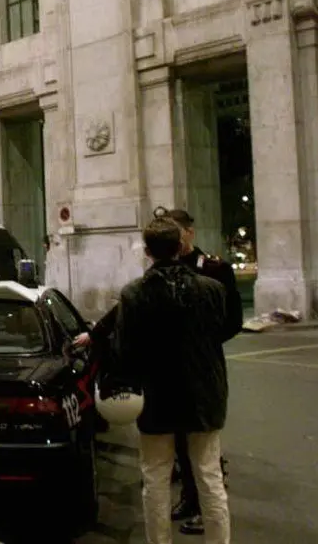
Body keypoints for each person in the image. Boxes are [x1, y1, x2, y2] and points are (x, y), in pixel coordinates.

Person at [115, 217, 232, 544]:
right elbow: (219, 333)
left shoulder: (134, 294)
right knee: (209, 476)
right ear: (180, 247)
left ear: (148, 252)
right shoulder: (212, 290)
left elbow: (124, 350)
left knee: (155, 478)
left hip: (156, 396)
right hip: (204, 394)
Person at [162, 208, 241, 535]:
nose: (175, 240)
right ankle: (189, 498)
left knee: (204, 445)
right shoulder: (163, 270)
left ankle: (207, 511)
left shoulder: (214, 269)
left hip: (202, 368)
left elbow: (233, 319)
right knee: (179, 440)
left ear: (189, 233)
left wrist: (203, 343)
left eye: (177, 232)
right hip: (170, 369)